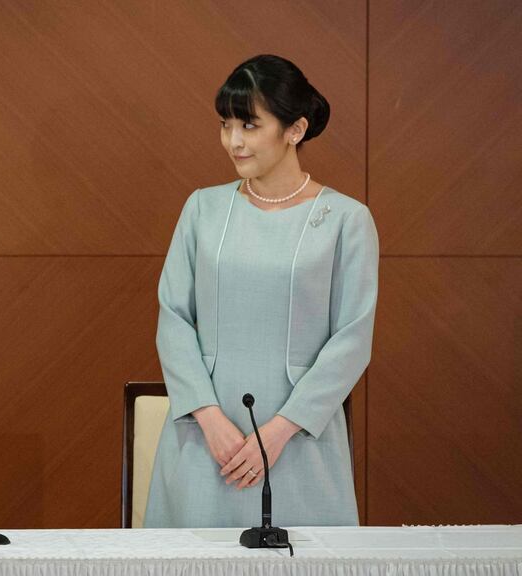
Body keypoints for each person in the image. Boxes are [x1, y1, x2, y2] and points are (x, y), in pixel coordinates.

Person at [144, 55, 377, 527]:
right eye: (226, 124)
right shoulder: (202, 209)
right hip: (204, 440)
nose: (234, 141)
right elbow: (173, 316)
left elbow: (352, 340)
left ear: (295, 130)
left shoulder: (347, 221)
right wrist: (210, 419)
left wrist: (277, 432)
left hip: (298, 443)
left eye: (249, 125)